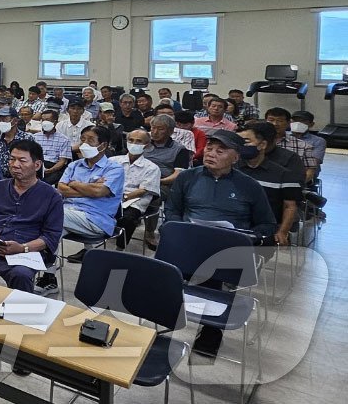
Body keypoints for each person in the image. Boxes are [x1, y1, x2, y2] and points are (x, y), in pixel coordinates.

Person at [163, 129, 275, 358]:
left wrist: (243, 237)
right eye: (209, 149)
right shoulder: (188, 177)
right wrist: (178, 229)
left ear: (235, 157)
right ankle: (168, 316)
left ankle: (212, 330)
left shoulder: (249, 186)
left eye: (220, 150)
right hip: (189, 242)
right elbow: (172, 210)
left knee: (212, 273)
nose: (210, 154)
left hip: (227, 250)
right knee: (162, 270)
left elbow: (266, 225)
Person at [0, 140, 64, 294]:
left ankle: (19, 315)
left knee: (20, 274)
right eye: (12, 159)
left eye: (22, 160)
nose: (15, 164)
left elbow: (50, 237)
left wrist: (22, 248)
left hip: (29, 252)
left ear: (37, 165)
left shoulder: (51, 196)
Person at [60, 125, 125, 263]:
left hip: (95, 219)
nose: (84, 144)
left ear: (103, 145)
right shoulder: (74, 165)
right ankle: (48, 275)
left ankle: (43, 273)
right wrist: (91, 187)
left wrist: (74, 183)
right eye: (82, 140)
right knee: (51, 229)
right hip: (69, 214)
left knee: (52, 215)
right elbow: (61, 189)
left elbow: (99, 191)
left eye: (90, 140)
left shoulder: (114, 169)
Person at [237, 122, 300, 252]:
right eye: (238, 142)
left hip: (266, 225)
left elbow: (290, 206)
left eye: (246, 142)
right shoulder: (232, 168)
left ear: (262, 145)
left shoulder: (283, 174)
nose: (241, 146)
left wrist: (282, 232)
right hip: (236, 221)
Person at [111, 130, 160, 250]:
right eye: (131, 140)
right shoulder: (114, 161)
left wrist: (125, 197)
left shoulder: (152, 167)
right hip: (111, 196)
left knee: (127, 218)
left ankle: (120, 248)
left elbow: (143, 190)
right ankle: (90, 246)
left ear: (147, 145)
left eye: (139, 141)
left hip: (134, 201)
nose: (134, 144)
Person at [264, 107, 317, 183]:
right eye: (271, 120)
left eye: (280, 121)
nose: (275, 124)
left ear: (289, 123)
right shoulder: (257, 142)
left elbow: (310, 170)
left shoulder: (303, 146)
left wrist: (294, 186)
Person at [145, 114, 192, 187]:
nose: (155, 132)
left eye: (160, 129)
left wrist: (158, 181)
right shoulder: (143, 144)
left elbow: (178, 174)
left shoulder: (180, 149)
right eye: (153, 128)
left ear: (170, 131)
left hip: (163, 184)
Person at [0, 108, 34, 176]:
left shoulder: (27, 139)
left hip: (19, 177)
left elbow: (31, 161)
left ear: (15, 121)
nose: (1, 122)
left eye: (4, 119)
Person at [32, 110, 72, 184]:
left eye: (47, 120)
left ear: (55, 122)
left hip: (54, 167)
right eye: (43, 120)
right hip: (37, 165)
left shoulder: (64, 139)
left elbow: (62, 161)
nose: (44, 122)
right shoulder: (34, 137)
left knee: (44, 183)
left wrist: (50, 170)